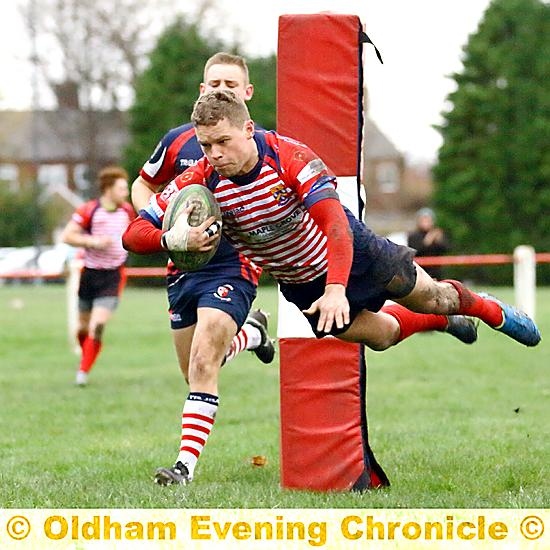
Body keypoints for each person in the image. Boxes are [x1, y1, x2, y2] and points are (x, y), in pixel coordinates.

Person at [124, 90, 540, 485]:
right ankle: (441, 323)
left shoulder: (289, 157)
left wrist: (338, 288)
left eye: (222, 142)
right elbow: (133, 232)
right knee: (383, 336)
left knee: (438, 295)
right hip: (304, 286)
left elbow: (335, 224)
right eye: (206, 144)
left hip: (355, 254)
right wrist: (170, 239)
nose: (214, 154)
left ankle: (488, 310)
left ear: (248, 130)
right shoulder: (202, 180)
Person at [129, 53, 274, 484]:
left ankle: (183, 469)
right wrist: (168, 227)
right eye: (214, 83)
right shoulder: (178, 141)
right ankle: (254, 334)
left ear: (247, 94)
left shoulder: (261, 144)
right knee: (195, 369)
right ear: (202, 89)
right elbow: (143, 186)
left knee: (204, 361)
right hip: (182, 267)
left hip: (233, 264)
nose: (221, 90)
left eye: (231, 84)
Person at [62, 166, 136, 386]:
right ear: (108, 189)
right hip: (90, 274)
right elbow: (68, 235)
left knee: (98, 325)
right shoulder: (89, 210)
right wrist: (93, 242)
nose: (126, 192)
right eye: (122, 188)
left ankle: (82, 372)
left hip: (113, 276)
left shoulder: (127, 212)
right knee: (83, 328)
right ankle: (86, 358)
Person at [407, 207, 450, 279]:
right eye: (423, 220)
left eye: (428, 220)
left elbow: (446, 249)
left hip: (436, 272)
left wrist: (439, 240)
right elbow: (414, 251)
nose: (426, 222)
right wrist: (427, 240)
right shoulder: (413, 236)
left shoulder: (437, 234)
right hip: (420, 272)